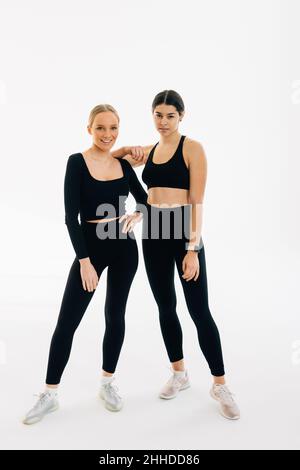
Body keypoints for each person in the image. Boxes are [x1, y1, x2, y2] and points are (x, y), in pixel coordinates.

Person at [114, 90, 240, 420]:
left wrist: (192, 249)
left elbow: (196, 201)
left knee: (200, 311)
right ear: (152, 116)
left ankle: (220, 383)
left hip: (184, 234)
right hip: (153, 234)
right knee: (166, 307)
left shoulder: (192, 148)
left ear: (181, 116)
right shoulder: (151, 150)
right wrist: (142, 205)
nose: (164, 121)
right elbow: (108, 163)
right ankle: (180, 373)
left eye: (171, 115)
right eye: (158, 115)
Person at [23, 104, 148, 424]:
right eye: (101, 128)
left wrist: (138, 213)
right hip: (90, 249)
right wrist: (84, 261)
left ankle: (107, 383)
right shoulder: (76, 163)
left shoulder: (122, 163)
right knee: (67, 322)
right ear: (89, 129)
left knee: (115, 315)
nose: (108, 134)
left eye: (113, 128)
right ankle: (49, 393)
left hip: (124, 249)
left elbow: (144, 197)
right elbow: (71, 218)